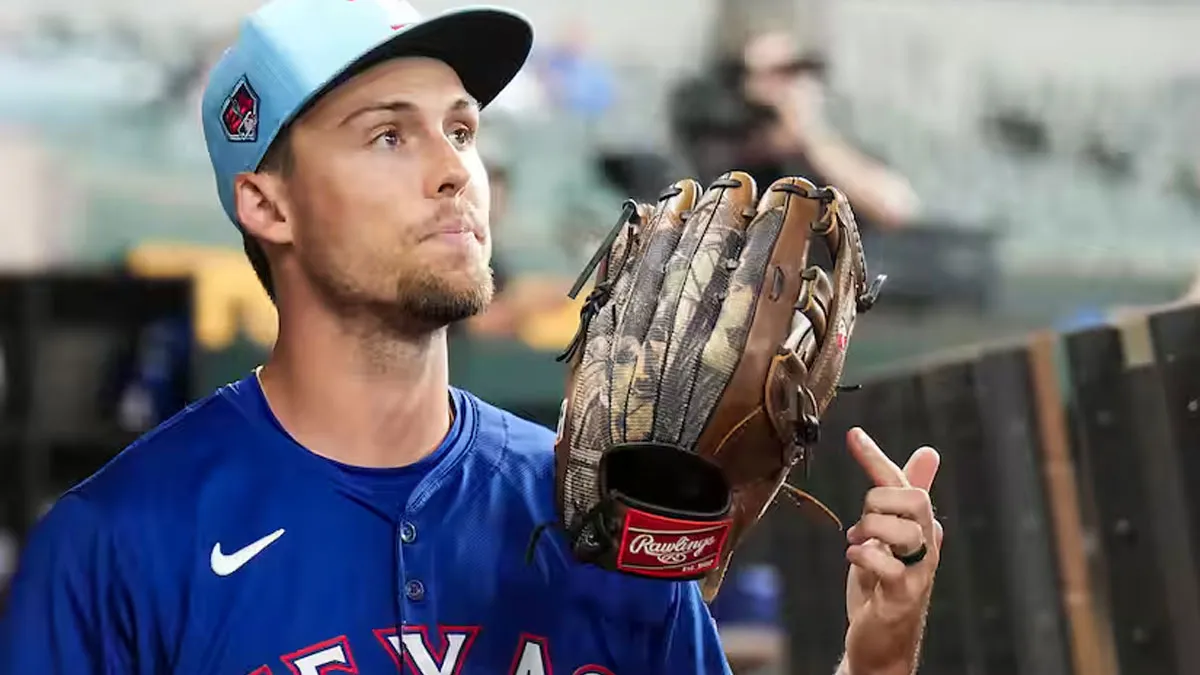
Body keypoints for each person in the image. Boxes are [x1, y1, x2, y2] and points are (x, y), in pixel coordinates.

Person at [0, 1, 943, 673]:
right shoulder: (118, 545)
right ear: (266, 201)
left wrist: (877, 657)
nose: (456, 169)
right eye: (387, 136)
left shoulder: (605, 510)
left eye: (461, 129)